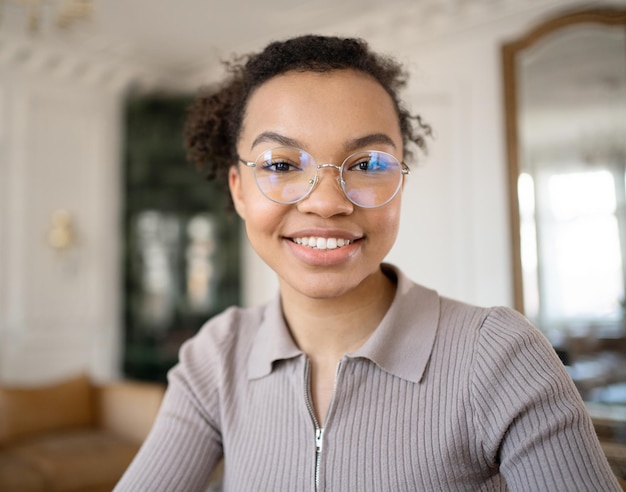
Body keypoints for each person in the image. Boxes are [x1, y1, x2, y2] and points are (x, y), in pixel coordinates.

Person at [115, 35, 621, 491]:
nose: (327, 202)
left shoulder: (501, 358)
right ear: (238, 190)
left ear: (401, 182)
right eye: (282, 165)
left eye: (368, 165)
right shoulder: (214, 359)